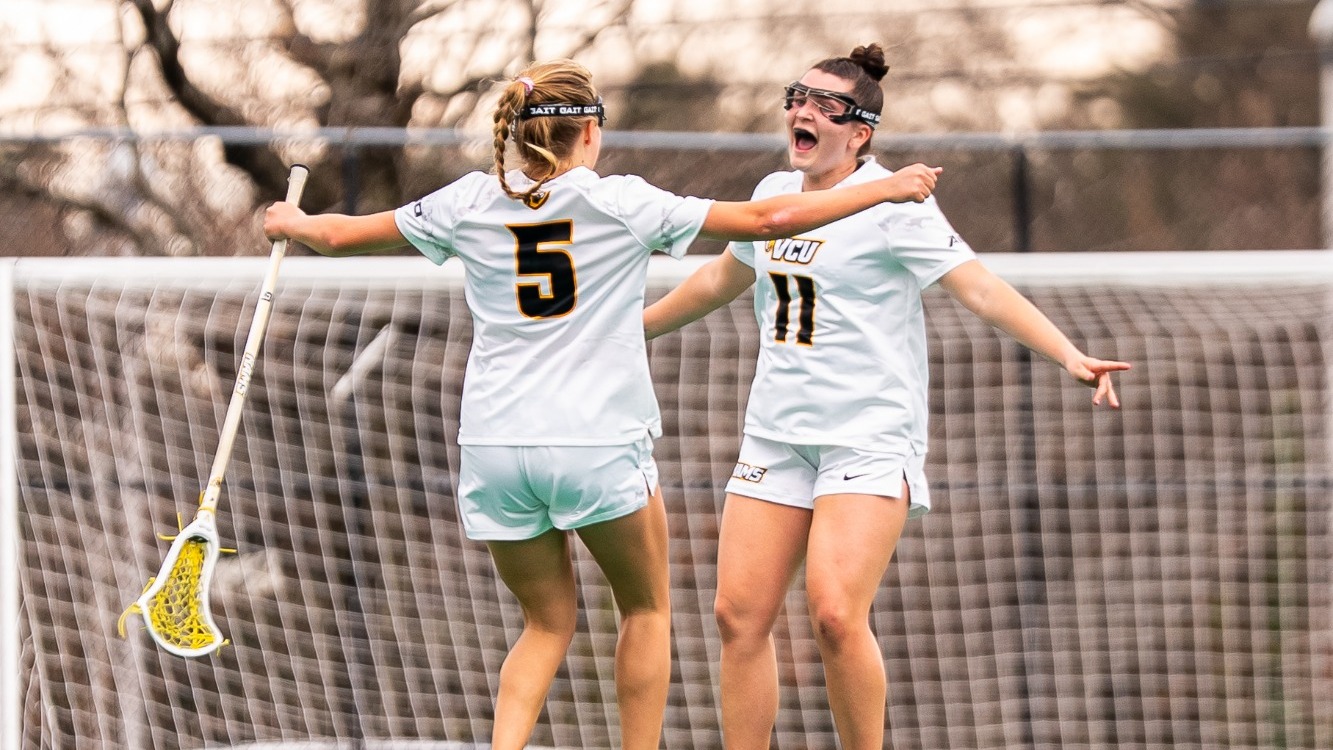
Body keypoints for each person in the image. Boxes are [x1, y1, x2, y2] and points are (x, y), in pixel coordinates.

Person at [264, 58, 946, 750]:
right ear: (589, 131)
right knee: (645, 611)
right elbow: (768, 219)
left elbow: (338, 237)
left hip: (494, 448)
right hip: (595, 442)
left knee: (544, 624)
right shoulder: (618, 201)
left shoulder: (466, 200)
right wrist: (886, 189)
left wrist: (292, 220)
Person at [643, 44, 1131, 750]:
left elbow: (979, 287)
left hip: (867, 439)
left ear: (859, 133)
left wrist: (1068, 353)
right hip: (775, 437)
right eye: (796, 97)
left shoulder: (895, 204)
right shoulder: (772, 193)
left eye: (824, 105)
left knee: (835, 615)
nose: (802, 111)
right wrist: (629, 330)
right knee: (736, 616)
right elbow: (721, 278)